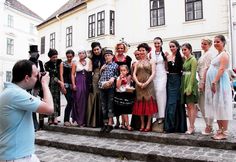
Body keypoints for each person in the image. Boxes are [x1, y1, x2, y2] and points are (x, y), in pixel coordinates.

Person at [0, 60, 53, 161]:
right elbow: (49, 108)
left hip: (21, 154)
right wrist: (45, 84)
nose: (37, 78)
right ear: (27, 78)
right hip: (16, 157)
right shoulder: (16, 94)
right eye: (36, 75)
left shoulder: (13, 92)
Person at [205, 35, 232, 140]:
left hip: (220, 83)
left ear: (223, 43)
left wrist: (214, 82)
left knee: (223, 107)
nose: (215, 43)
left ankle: (224, 132)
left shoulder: (224, 55)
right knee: (218, 107)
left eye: (218, 42)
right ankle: (220, 130)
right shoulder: (218, 54)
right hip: (216, 83)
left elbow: (221, 69)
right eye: (214, 42)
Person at [132, 43, 158, 132]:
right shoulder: (137, 63)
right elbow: (134, 74)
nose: (142, 52)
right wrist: (138, 82)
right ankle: (142, 123)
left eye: (143, 50)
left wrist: (146, 83)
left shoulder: (151, 61)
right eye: (140, 50)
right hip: (139, 86)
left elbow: (153, 73)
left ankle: (148, 124)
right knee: (140, 106)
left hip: (149, 85)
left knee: (148, 105)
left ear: (147, 51)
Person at [164, 40, 187, 133]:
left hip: (177, 80)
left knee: (177, 102)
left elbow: (184, 69)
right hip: (170, 80)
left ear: (177, 47)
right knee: (170, 102)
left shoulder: (181, 57)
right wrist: (166, 59)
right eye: (170, 47)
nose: (171, 48)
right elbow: (166, 68)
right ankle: (169, 126)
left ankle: (179, 126)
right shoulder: (168, 56)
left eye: (173, 46)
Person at [196, 38, 215, 135]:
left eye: (205, 44)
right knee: (202, 104)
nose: (203, 45)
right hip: (201, 80)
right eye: (202, 43)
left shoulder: (209, 54)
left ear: (209, 45)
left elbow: (207, 69)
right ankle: (208, 125)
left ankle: (209, 126)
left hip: (205, 81)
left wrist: (203, 82)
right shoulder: (204, 54)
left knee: (206, 105)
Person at [98, 49, 118, 133]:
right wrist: (100, 70)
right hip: (102, 87)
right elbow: (100, 76)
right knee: (104, 106)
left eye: (108, 55)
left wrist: (113, 78)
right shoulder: (103, 65)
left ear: (112, 56)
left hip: (110, 87)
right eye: (105, 56)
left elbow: (117, 75)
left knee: (110, 105)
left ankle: (110, 124)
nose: (107, 57)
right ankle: (105, 124)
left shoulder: (115, 65)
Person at [113, 42, 132, 129]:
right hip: (116, 80)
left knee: (124, 102)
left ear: (124, 49)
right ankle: (117, 121)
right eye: (119, 48)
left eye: (122, 48)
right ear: (116, 49)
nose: (120, 50)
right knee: (117, 103)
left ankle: (124, 123)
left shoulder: (128, 58)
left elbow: (129, 71)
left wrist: (127, 81)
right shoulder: (113, 58)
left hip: (125, 81)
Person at [180, 43, 198, 134]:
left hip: (190, 84)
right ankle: (191, 126)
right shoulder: (185, 60)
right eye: (182, 50)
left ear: (190, 49)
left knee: (191, 107)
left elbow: (193, 74)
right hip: (184, 82)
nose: (183, 51)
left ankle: (191, 127)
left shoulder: (193, 59)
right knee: (188, 106)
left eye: (185, 49)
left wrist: (190, 87)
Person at [86, 42, 105, 128]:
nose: (96, 51)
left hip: (104, 78)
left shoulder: (105, 57)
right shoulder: (91, 59)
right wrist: (90, 83)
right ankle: (93, 122)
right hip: (95, 79)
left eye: (97, 49)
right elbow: (89, 71)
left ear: (100, 48)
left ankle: (103, 121)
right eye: (94, 50)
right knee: (95, 97)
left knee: (102, 98)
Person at [71, 49, 92, 127]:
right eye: (80, 53)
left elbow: (91, 72)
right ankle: (79, 120)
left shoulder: (89, 61)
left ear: (85, 54)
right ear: (78, 54)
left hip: (86, 82)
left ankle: (86, 120)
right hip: (78, 82)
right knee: (79, 101)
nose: (81, 54)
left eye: (83, 53)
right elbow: (72, 74)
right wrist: (73, 84)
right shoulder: (75, 63)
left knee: (87, 101)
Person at [149, 37, 167, 125]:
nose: (157, 45)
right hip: (154, 76)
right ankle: (156, 115)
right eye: (155, 43)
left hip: (162, 75)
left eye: (158, 43)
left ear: (161, 43)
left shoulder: (165, 53)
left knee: (160, 93)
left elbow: (167, 66)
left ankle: (162, 115)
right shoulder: (150, 54)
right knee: (155, 95)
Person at [28, 45, 45, 131]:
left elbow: (42, 71)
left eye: (36, 52)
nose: (35, 54)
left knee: (40, 104)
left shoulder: (40, 62)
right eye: (33, 53)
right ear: (30, 54)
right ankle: (34, 123)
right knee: (32, 105)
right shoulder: (28, 63)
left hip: (39, 86)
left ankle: (41, 124)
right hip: (31, 86)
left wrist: (42, 73)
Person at [44, 49, 63, 125]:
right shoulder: (46, 64)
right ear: (50, 57)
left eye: (56, 57)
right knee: (50, 101)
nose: (55, 59)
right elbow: (51, 74)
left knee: (56, 101)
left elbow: (61, 73)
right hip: (50, 84)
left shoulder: (59, 61)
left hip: (57, 86)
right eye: (53, 57)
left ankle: (55, 117)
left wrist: (60, 83)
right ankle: (49, 118)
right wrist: (59, 82)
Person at [114, 65, 135, 131]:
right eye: (121, 70)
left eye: (124, 70)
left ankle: (123, 124)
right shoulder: (118, 77)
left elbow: (129, 84)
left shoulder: (129, 77)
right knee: (124, 111)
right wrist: (120, 78)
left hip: (127, 95)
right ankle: (128, 125)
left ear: (127, 71)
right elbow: (117, 86)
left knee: (125, 111)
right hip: (120, 95)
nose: (122, 72)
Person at [60, 50, 75, 126]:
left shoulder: (74, 63)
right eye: (68, 56)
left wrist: (74, 84)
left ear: (73, 56)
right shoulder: (62, 63)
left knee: (72, 102)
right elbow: (61, 74)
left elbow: (73, 74)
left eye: (70, 56)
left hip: (72, 85)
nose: (69, 58)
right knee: (70, 101)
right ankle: (66, 120)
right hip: (65, 85)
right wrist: (62, 86)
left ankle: (71, 119)